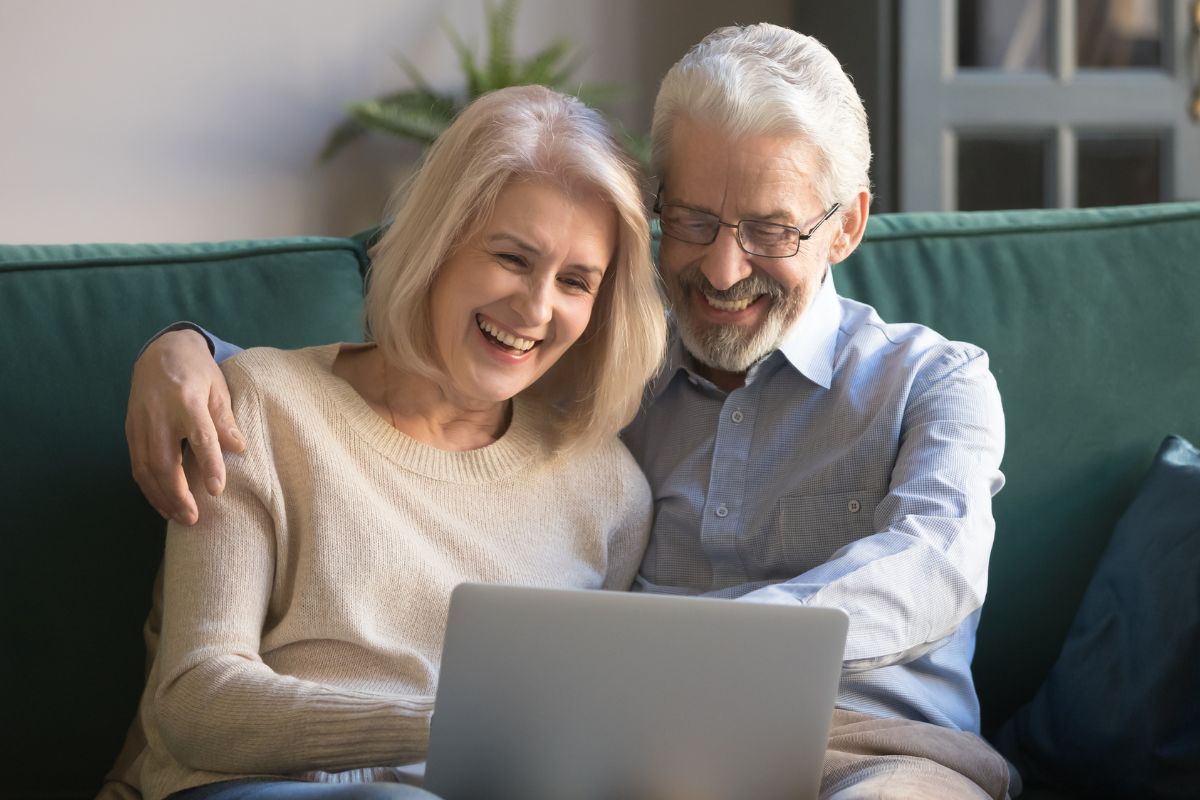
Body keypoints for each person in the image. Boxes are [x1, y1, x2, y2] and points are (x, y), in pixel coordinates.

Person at [125, 24, 1017, 800]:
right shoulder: (610, 385)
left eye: (771, 231)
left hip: (876, 759)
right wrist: (190, 351)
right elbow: (396, 398)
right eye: (696, 221)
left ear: (848, 225)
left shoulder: (935, 384)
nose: (722, 269)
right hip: (669, 763)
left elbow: (934, 567)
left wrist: (711, 653)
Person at [108, 84, 667, 800]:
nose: (535, 308)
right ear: (439, 243)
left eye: (576, 282)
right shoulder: (260, 405)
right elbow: (193, 697)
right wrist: (437, 726)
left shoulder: (609, 488)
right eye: (512, 258)